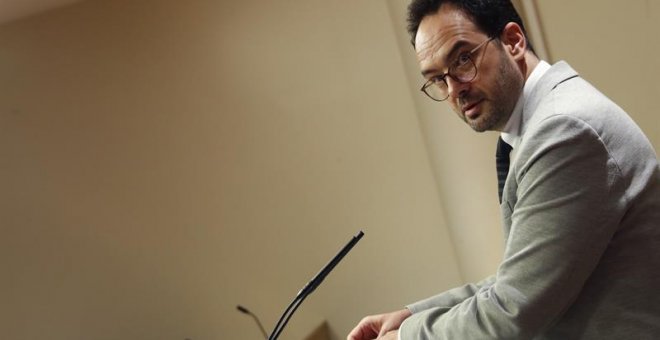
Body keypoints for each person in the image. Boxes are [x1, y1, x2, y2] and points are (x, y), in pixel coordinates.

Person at [347, 0, 660, 339]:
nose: (454, 89)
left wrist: (407, 337)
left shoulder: (564, 131)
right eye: (438, 78)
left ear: (513, 41)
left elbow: (512, 312)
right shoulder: (544, 122)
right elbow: (521, 277)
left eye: (463, 59)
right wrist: (409, 315)